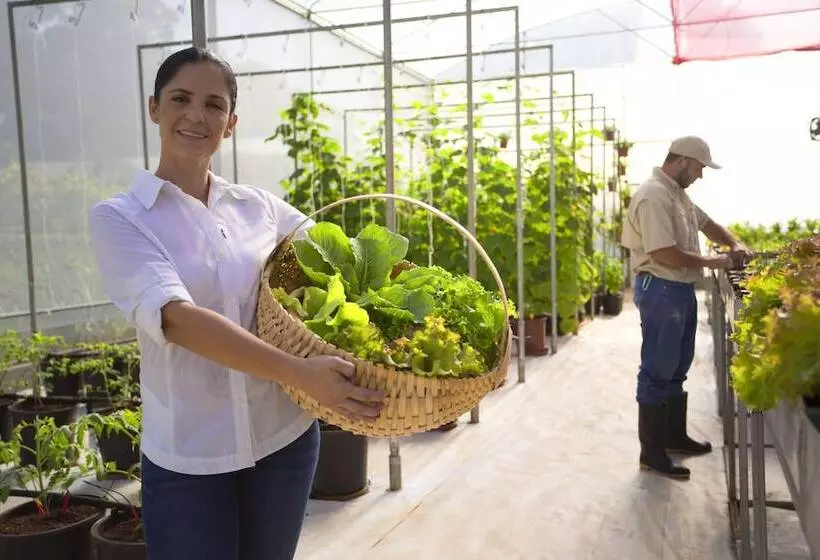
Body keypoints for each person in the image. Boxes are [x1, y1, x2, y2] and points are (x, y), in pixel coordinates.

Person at [88, 47, 385, 560]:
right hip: (190, 458)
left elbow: (346, 265)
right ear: (154, 107)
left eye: (214, 105)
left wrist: (445, 321)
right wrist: (298, 371)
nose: (197, 116)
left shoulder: (260, 208)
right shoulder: (122, 218)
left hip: (282, 442)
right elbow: (177, 321)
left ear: (230, 123)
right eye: (181, 99)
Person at [620, 136, 753, 481]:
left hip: (678, 289)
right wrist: (714, 260)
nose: (700, 175)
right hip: (661, 287)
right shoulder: (653, 195)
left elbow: (707, 224)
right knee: (657, 369)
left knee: (677, 365)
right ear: (680, 161)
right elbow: (662, 252)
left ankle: (674, 437)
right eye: (698, 168)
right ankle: (651, 453)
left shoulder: (678, 195)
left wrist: (735, 243)